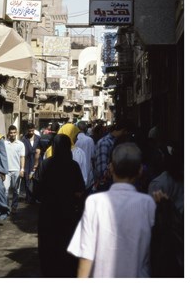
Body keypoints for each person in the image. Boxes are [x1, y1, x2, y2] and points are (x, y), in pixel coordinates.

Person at [67, 142, 156, 278]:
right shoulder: (149, 204)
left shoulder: (94, 202)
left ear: (111, 168)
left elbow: (86, 255)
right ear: (140, 171)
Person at [35, 133, 86, 277]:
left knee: (49, 250)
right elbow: (80, 190)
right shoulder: (73, 166)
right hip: (68, 214)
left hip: (48, 214)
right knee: (67, 248)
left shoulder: (45, 164)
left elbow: (36, 191)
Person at [92, 119, 133, 192]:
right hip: (107, 187)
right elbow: (101, 170)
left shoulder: (117, 141)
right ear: (124, 131)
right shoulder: (104, 143)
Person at [4, 125, 25, 214]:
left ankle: (14, 207)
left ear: (16, 133)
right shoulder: (4, 143)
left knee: (16, 190)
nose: (12, 134)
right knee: (5, 190)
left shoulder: (20, 144)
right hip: (6, 171)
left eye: (14, 132)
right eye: (11, 133)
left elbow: (22, 157)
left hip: (16, 170)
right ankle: (6, 207)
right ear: (8, 133)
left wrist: (22, 169)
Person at [21, 122, 41, 203]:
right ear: (27, 130)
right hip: (27, 161)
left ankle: (34, 197)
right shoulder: (23, 139)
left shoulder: (38, 138)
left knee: (35, 179)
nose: (31, 132)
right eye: (29, 131)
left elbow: (40, 150)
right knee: (27, 178)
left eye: (32, 130)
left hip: (36, 160)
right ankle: (28, 198)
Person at [75, 121, 95, 191]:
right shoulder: (90, 140)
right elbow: (93, 156)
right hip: (88, 171)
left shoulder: (74, 140)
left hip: (77, 172)